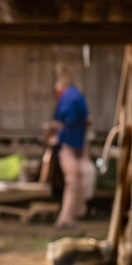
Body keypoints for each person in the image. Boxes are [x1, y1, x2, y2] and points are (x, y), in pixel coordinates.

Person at [48, 65, 93, 228]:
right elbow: (87, 119)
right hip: (77, 143)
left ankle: (67, 217)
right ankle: (73, 213)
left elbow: (59, 121)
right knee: (75, 179)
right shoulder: (77, 96)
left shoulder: (67, 97)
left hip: (69, 143)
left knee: (73, 180)